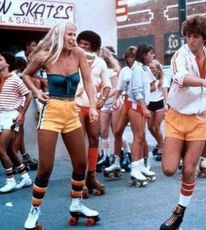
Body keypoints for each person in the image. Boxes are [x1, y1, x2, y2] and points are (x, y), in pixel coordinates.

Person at [160, 14, 206, 230]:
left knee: (189, 170)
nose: (190, 40)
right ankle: (181, 152)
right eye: (187, 36)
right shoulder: (179, 56)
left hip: (201, 120)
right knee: (168, 169)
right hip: (177, 117)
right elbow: (180, 78)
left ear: (204, 38)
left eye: (194, 37)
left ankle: (178, 215)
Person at [23, 22, 100, 229]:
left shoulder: (79, 54)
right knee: (45, 168)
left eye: (74, 34)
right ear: (59, 36)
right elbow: (26, 74)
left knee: (81, 164)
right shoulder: (46, 55)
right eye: (70, 34)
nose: (73, 38)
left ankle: (76, 205)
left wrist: (93, 107)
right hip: (51, 111)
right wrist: (37, 92)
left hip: (71, 111)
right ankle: (34, 211)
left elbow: (89, 82)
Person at [76, 30, 111, 197]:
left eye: (86, 45)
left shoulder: (101, 63)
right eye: (80, 43)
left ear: (93, 47)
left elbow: (107, 84)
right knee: (78, 143)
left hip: (93, 106)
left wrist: (103, 98)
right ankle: (79, 180)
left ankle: (91, 176)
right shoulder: (72, 58)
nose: (82, 47)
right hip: (75, 105)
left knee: (94, 139)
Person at [0, 53, 32, 193]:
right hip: (1, 115)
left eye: (0, 59)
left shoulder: (14, 79)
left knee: (0, 149)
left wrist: (22, 114)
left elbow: (29, 94)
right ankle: (25, 177)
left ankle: (10, 180)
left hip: (11, 116)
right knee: (10, 150)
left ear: (7, 64)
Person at [103, 46, 136, 178]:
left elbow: (151, 85)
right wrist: (115, 98)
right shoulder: (124, 71)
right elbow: (119, 89)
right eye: (129, 57)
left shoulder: (142, 69)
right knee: (117, 131)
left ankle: (138, 163)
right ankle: (117, 160)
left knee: (138, 134)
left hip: (137, 103)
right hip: (125, 101)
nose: (131, 59)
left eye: (133, 56)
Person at [126, 43, 156, 187]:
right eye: (151, 53)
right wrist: (144, 108)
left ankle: (140, 166)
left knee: (141, 137)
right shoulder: (137, 69)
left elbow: (152, 84)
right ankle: (135, 169)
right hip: (136, 107)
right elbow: (136, 90)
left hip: (140, 107)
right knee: (138, 138)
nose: (153, 56)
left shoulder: (143, 68)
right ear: (144, 55)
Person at [147, 59, 169, 162]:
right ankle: (161, 143)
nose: (151, 69)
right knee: (150, 127)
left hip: (159, 103)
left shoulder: (163, 79)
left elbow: (165, 93)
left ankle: (161, 148)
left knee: (157, 126)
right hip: (150, 103)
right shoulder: (147, 78)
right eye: (150, 68)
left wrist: (167, 105)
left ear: (158, 69)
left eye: (153, 68)